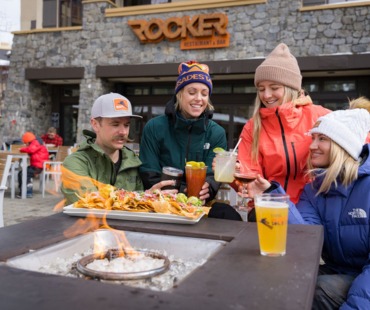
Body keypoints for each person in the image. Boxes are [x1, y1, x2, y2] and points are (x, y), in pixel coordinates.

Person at [246, 109, 370, 309]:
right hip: (335, 272)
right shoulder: (314, 189)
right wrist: (272, 195)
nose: (312, 146)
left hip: (363, 282)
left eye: (322, 138)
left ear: (343, 146)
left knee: (319, 288)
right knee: (276, 277)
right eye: (313, 138)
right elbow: (304, 236)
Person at [138, 61, 241, 220]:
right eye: (192, 92)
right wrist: (171, 195)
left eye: (204, 93)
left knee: (227, 214)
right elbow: (148, 171)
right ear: (180, 93)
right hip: (161, 205)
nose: (198, 99)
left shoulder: (216, 133)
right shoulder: (154, 127)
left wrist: (210, 187)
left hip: (200, 209)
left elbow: (212, 175)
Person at [237, 43, 331, 208]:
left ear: (290, 88)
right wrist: (236, 174)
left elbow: (359, 150)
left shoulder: (322, 117)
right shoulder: (253, 127)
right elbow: (250, 179)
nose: (266, 95)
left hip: (314, 210)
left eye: (274, 88)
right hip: (268, 208)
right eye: (261, 89)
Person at [61, 93, 176, 206]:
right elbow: (92, 203)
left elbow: (137, 208)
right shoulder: (75, 163)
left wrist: (151, 198)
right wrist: (144, 198)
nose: (123, 132)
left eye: (126, 125)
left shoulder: (134, 162)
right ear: (95, 124)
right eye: (115, 124)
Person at [18, 131, 50, 198]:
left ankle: (27, 192)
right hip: (37, 165)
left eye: (25, 143)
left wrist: (21, 149)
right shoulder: (37, 142)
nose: (26, 144)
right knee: (21, 173)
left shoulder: (35, 142)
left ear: (27, 140)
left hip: (38, 166)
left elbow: (31, 150)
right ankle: (23, 191)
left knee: (24, 174)